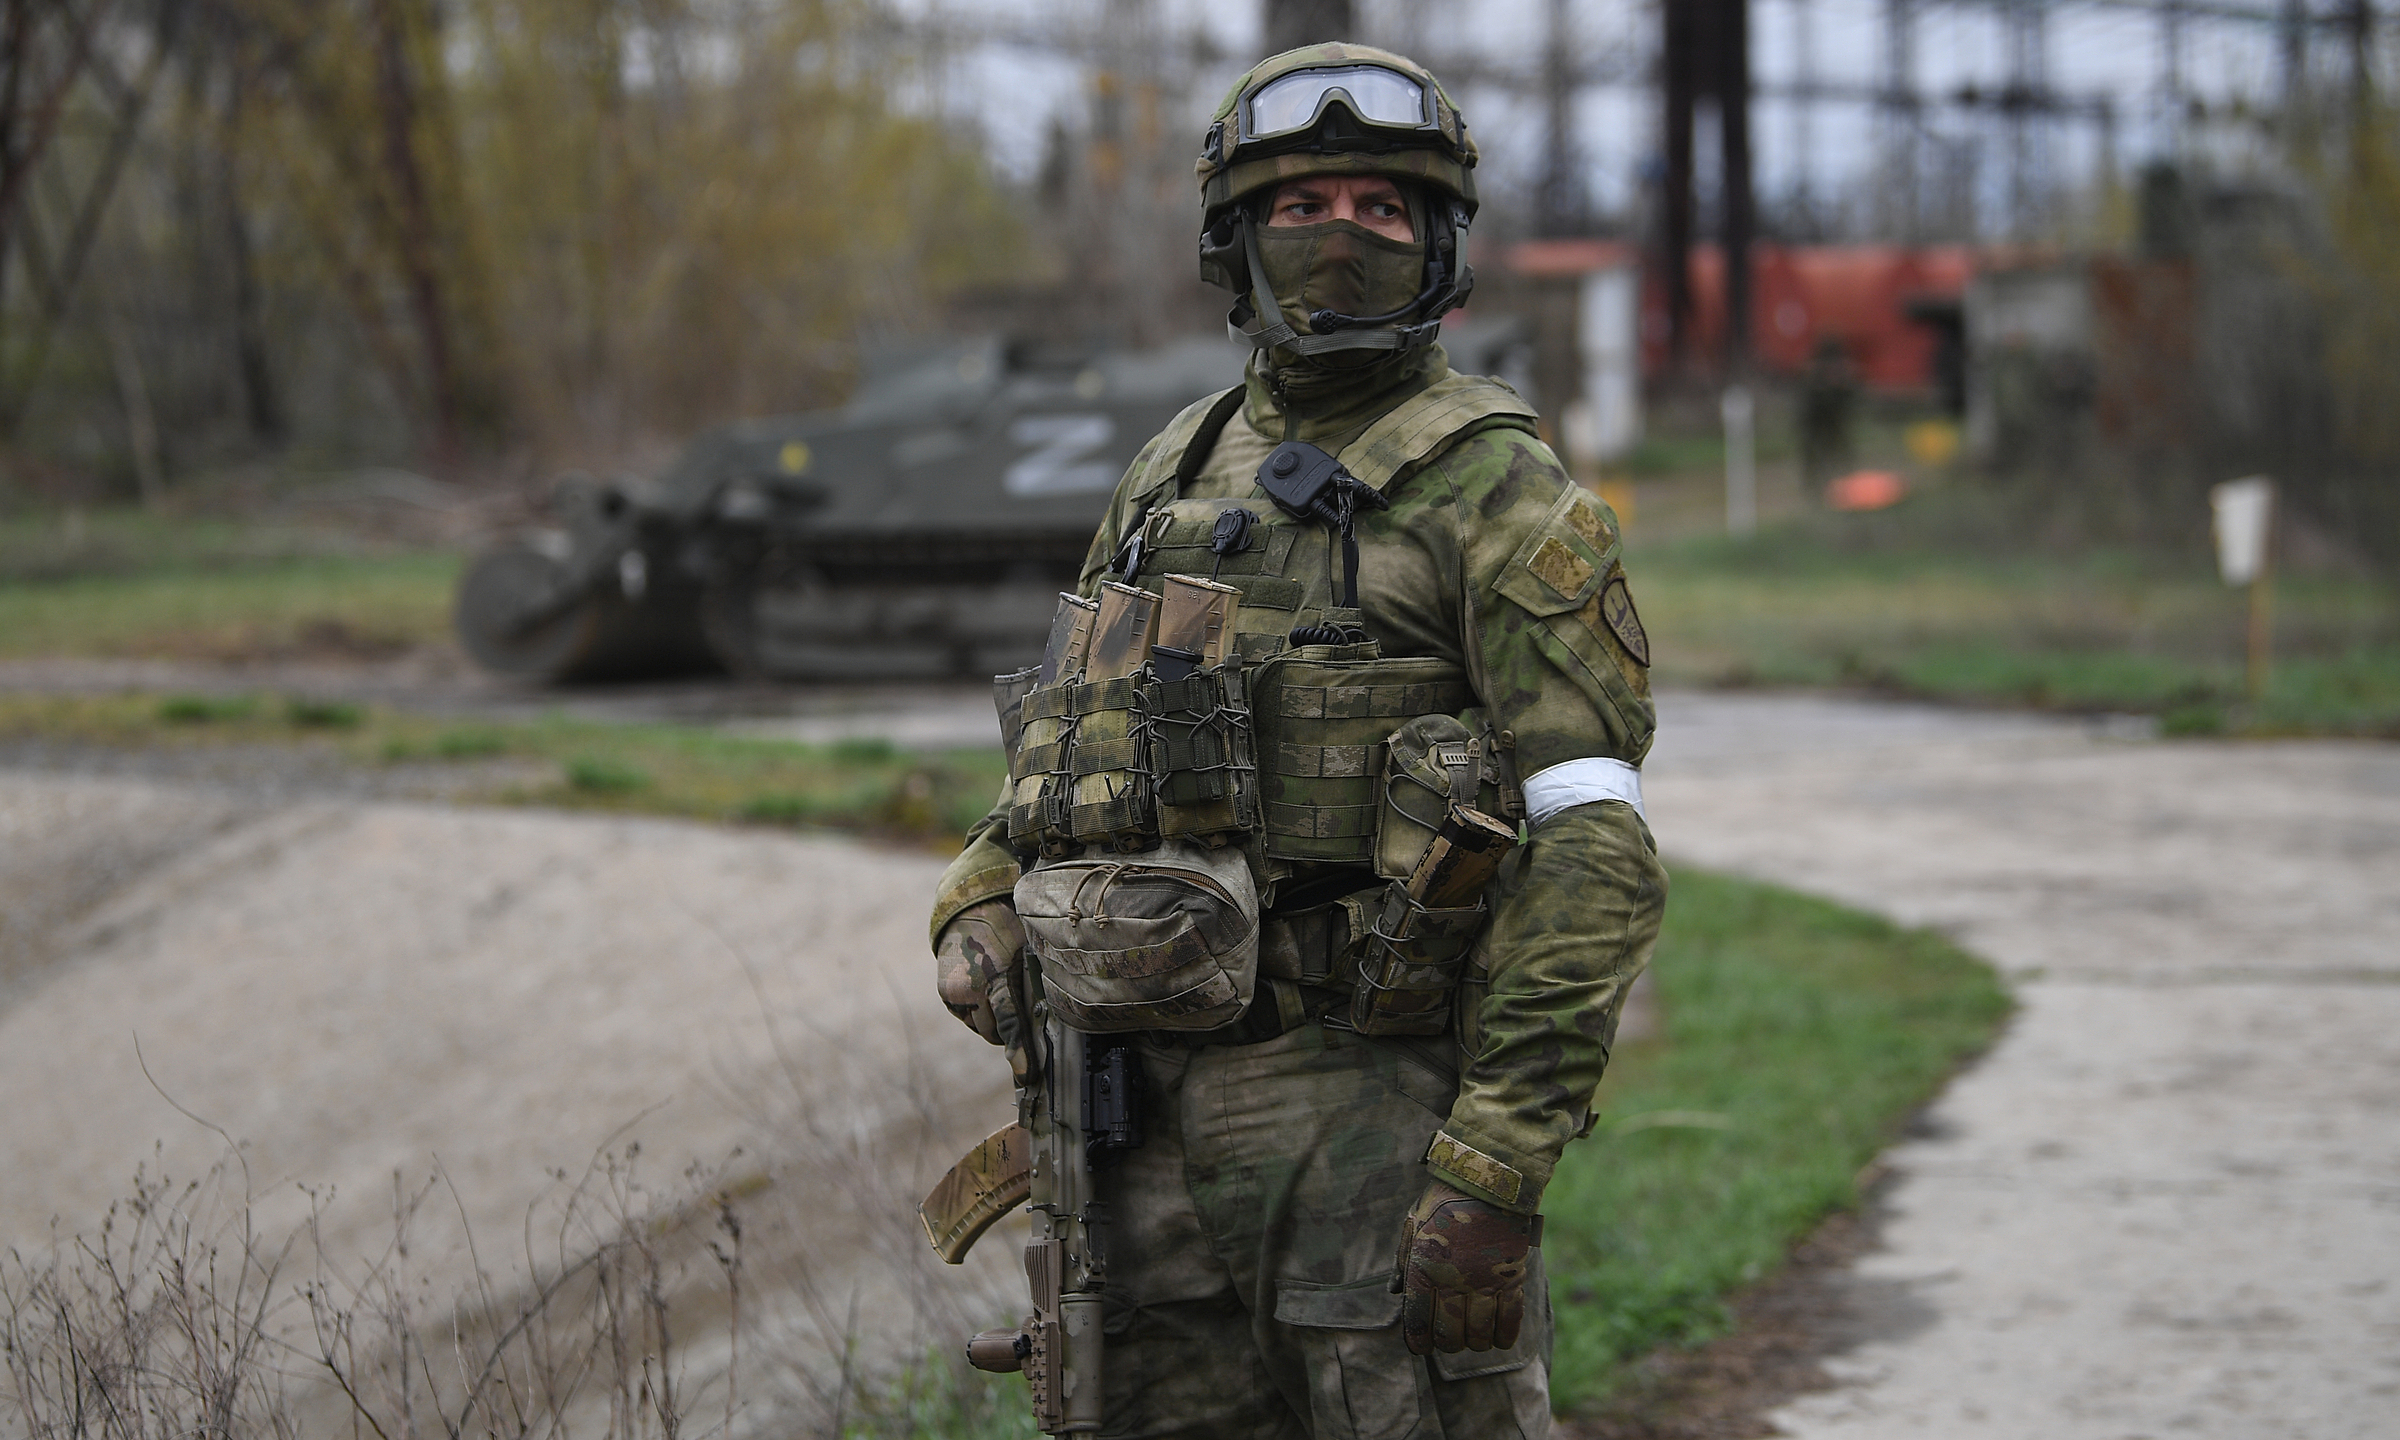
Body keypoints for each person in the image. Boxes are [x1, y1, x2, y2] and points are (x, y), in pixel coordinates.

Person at [929, 42, 1665, 1439]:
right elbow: (1084, 748)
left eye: (1383, 209)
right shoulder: (1169, 472)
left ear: (1439, 243)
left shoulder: (1500, 491)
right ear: (1239, 239)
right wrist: (980, 885)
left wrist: (1499, 1158)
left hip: (1369, 1120)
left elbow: (1595, 852)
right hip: (1130, 1123)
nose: (1340, 237)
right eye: (1300, 204)